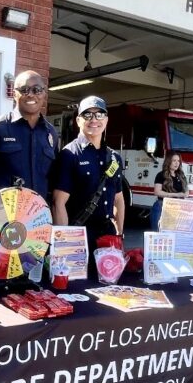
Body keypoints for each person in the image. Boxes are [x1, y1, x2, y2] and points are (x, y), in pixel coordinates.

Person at [52, 96, 125, 271]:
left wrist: (120, 235)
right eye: (87, 115)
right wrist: (64, 246)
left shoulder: (114, 157)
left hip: (108, 238)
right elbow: (58, 203)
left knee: (109, 287)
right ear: (78, 121)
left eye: (99, 114)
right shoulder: (69, 155)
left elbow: (119, 200)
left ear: (106, 120)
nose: (94, 120)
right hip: (79, 236)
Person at [0, 70, 58, 201]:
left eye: (37, 90)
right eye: (24, 90)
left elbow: (52, 177)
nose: (31, 95)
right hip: (2, 216)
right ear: (14, 93)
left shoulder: (50, 133)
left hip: (37, 216)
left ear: (44, 93)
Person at [149, 152, 189, 230]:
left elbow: (186, 191)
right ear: (168, 161)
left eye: (178, 161)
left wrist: (185, 194)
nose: (177, 163)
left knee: (173, 235)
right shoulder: (161, 175)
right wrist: (176, 195)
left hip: (177, 209)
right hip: (162, 206)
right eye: (174, 160)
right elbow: (157, 192)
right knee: (159, 233)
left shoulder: (181, 176)